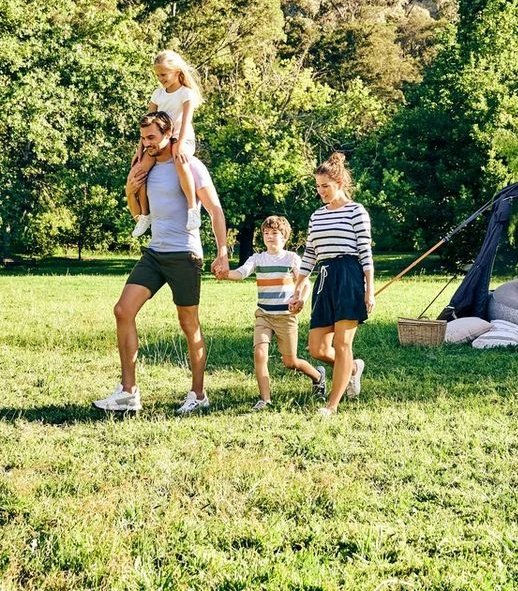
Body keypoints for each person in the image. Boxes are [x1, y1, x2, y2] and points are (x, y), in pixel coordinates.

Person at [95, 110, 229, 414]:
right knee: (122, 310)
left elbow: (215, 210)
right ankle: (128, 392)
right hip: (155, 252)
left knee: (188, 323)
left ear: (169, 134)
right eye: (143, 138)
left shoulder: (190, 165)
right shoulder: (147, 167)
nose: (146, 143)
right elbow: (138, 214)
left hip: (184, 254)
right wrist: (130, 191)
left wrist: (222, 251)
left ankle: (198, 394)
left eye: (152, 137)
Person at [214, 215, 327, 409]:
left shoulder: (291, 258)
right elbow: (241, 273)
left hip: (286, 317)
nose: (269, 236)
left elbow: (305, 283)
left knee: (290, 362)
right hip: (264, 315)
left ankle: (318, 376)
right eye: (266, 233)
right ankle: (265, 400)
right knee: (259, 353)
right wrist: (225, 274)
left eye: (274, 233)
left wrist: (301, 299)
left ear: (284, 236)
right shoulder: (258, 258)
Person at [302, 152, 375, 418]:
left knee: (343, 343)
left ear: (340, 184)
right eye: (318, 186)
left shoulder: (356, 211)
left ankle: (332, 405)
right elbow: (310, 253)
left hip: (349, 275)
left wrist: (369, 289)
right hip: (324, 278)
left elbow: (365, 252)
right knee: (317, 348)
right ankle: (352, 369)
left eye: (326, 186)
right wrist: (299, 286)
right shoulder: (316, 216)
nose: (321, 191)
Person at [127, 50, 203, 238]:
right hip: (160, 140)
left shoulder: (186, 93)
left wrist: (180, 144)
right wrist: (140, 149)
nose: (161, 79)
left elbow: (185, 122)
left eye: (164, 74)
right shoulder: (158, 94)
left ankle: (192, 209)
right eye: (158, 76)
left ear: (177, 71)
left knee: (180, 161)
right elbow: (147, 123)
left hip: (181, 137)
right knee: (139, 170)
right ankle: (145, 214)